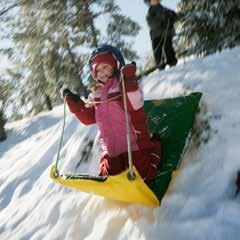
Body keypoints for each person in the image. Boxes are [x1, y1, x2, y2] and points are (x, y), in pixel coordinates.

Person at [61, 45, 161, 182]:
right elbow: (89, 118)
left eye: (105, 67)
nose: (102, 72)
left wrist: (129, 81)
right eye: (98, 70)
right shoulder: (97, 94)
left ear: (116, 66)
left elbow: (134, 104)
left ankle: (154, 149)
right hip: (111, 149)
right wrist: (76, 105)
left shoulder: (123, 85)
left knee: (143, 175)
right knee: (108, 176)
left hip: (134, 145)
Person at [145, 0, 177, 69]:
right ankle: (160, 65)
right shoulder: (150, 12)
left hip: (167, 33)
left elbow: (174, 16)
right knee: (158, 51)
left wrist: (172, 17)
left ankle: (172, 62)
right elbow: (151, 23)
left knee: (168, 48)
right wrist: (161, 23)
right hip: (156, 35)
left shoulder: (165, 9)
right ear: (149, 2)